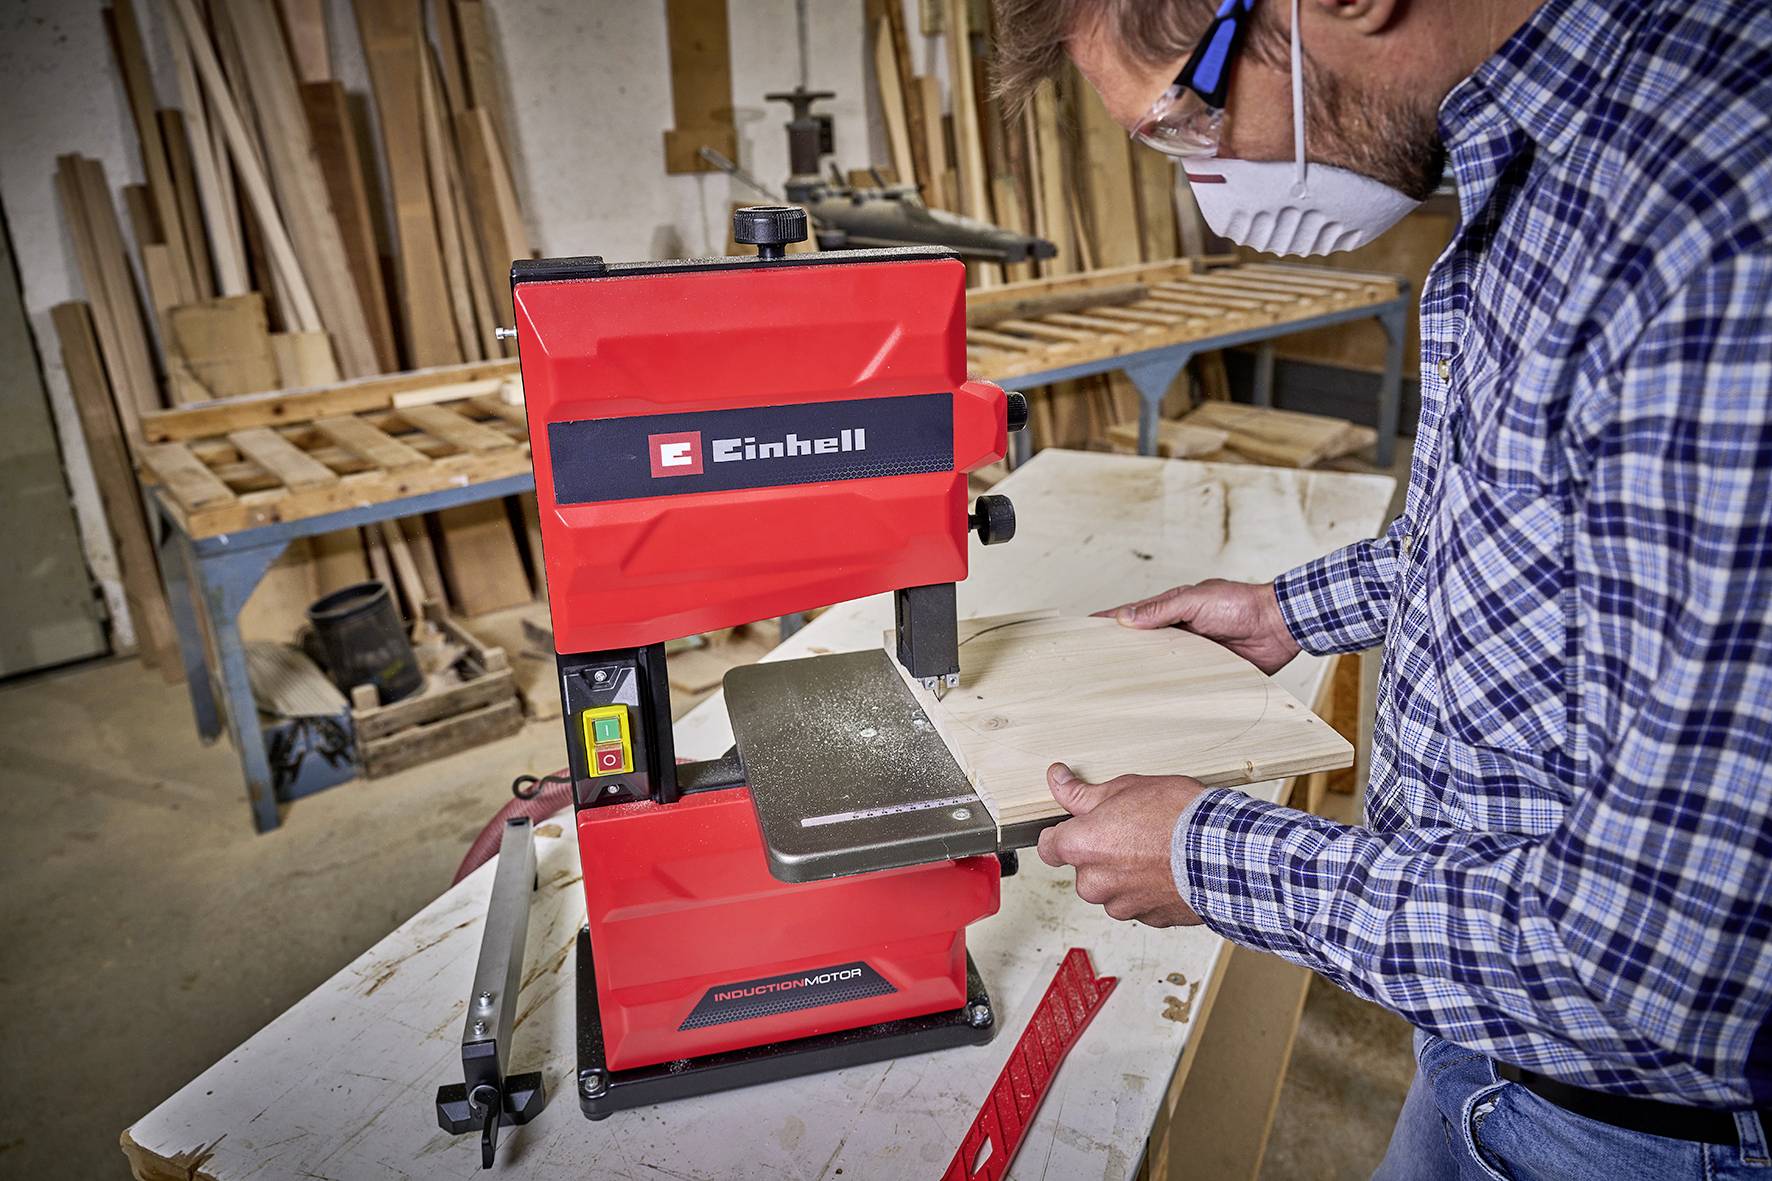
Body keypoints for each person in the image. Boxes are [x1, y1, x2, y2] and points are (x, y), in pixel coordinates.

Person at [991, 0, 1772, 1176]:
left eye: (1190, 119)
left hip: (1630, 1126)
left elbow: (1650, 975)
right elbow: (1538, 536)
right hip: (1490, 1048)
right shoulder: (1550, 157)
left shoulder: (1707, 223)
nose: (1205, 182)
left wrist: (1210, 856)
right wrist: (1291, 607)